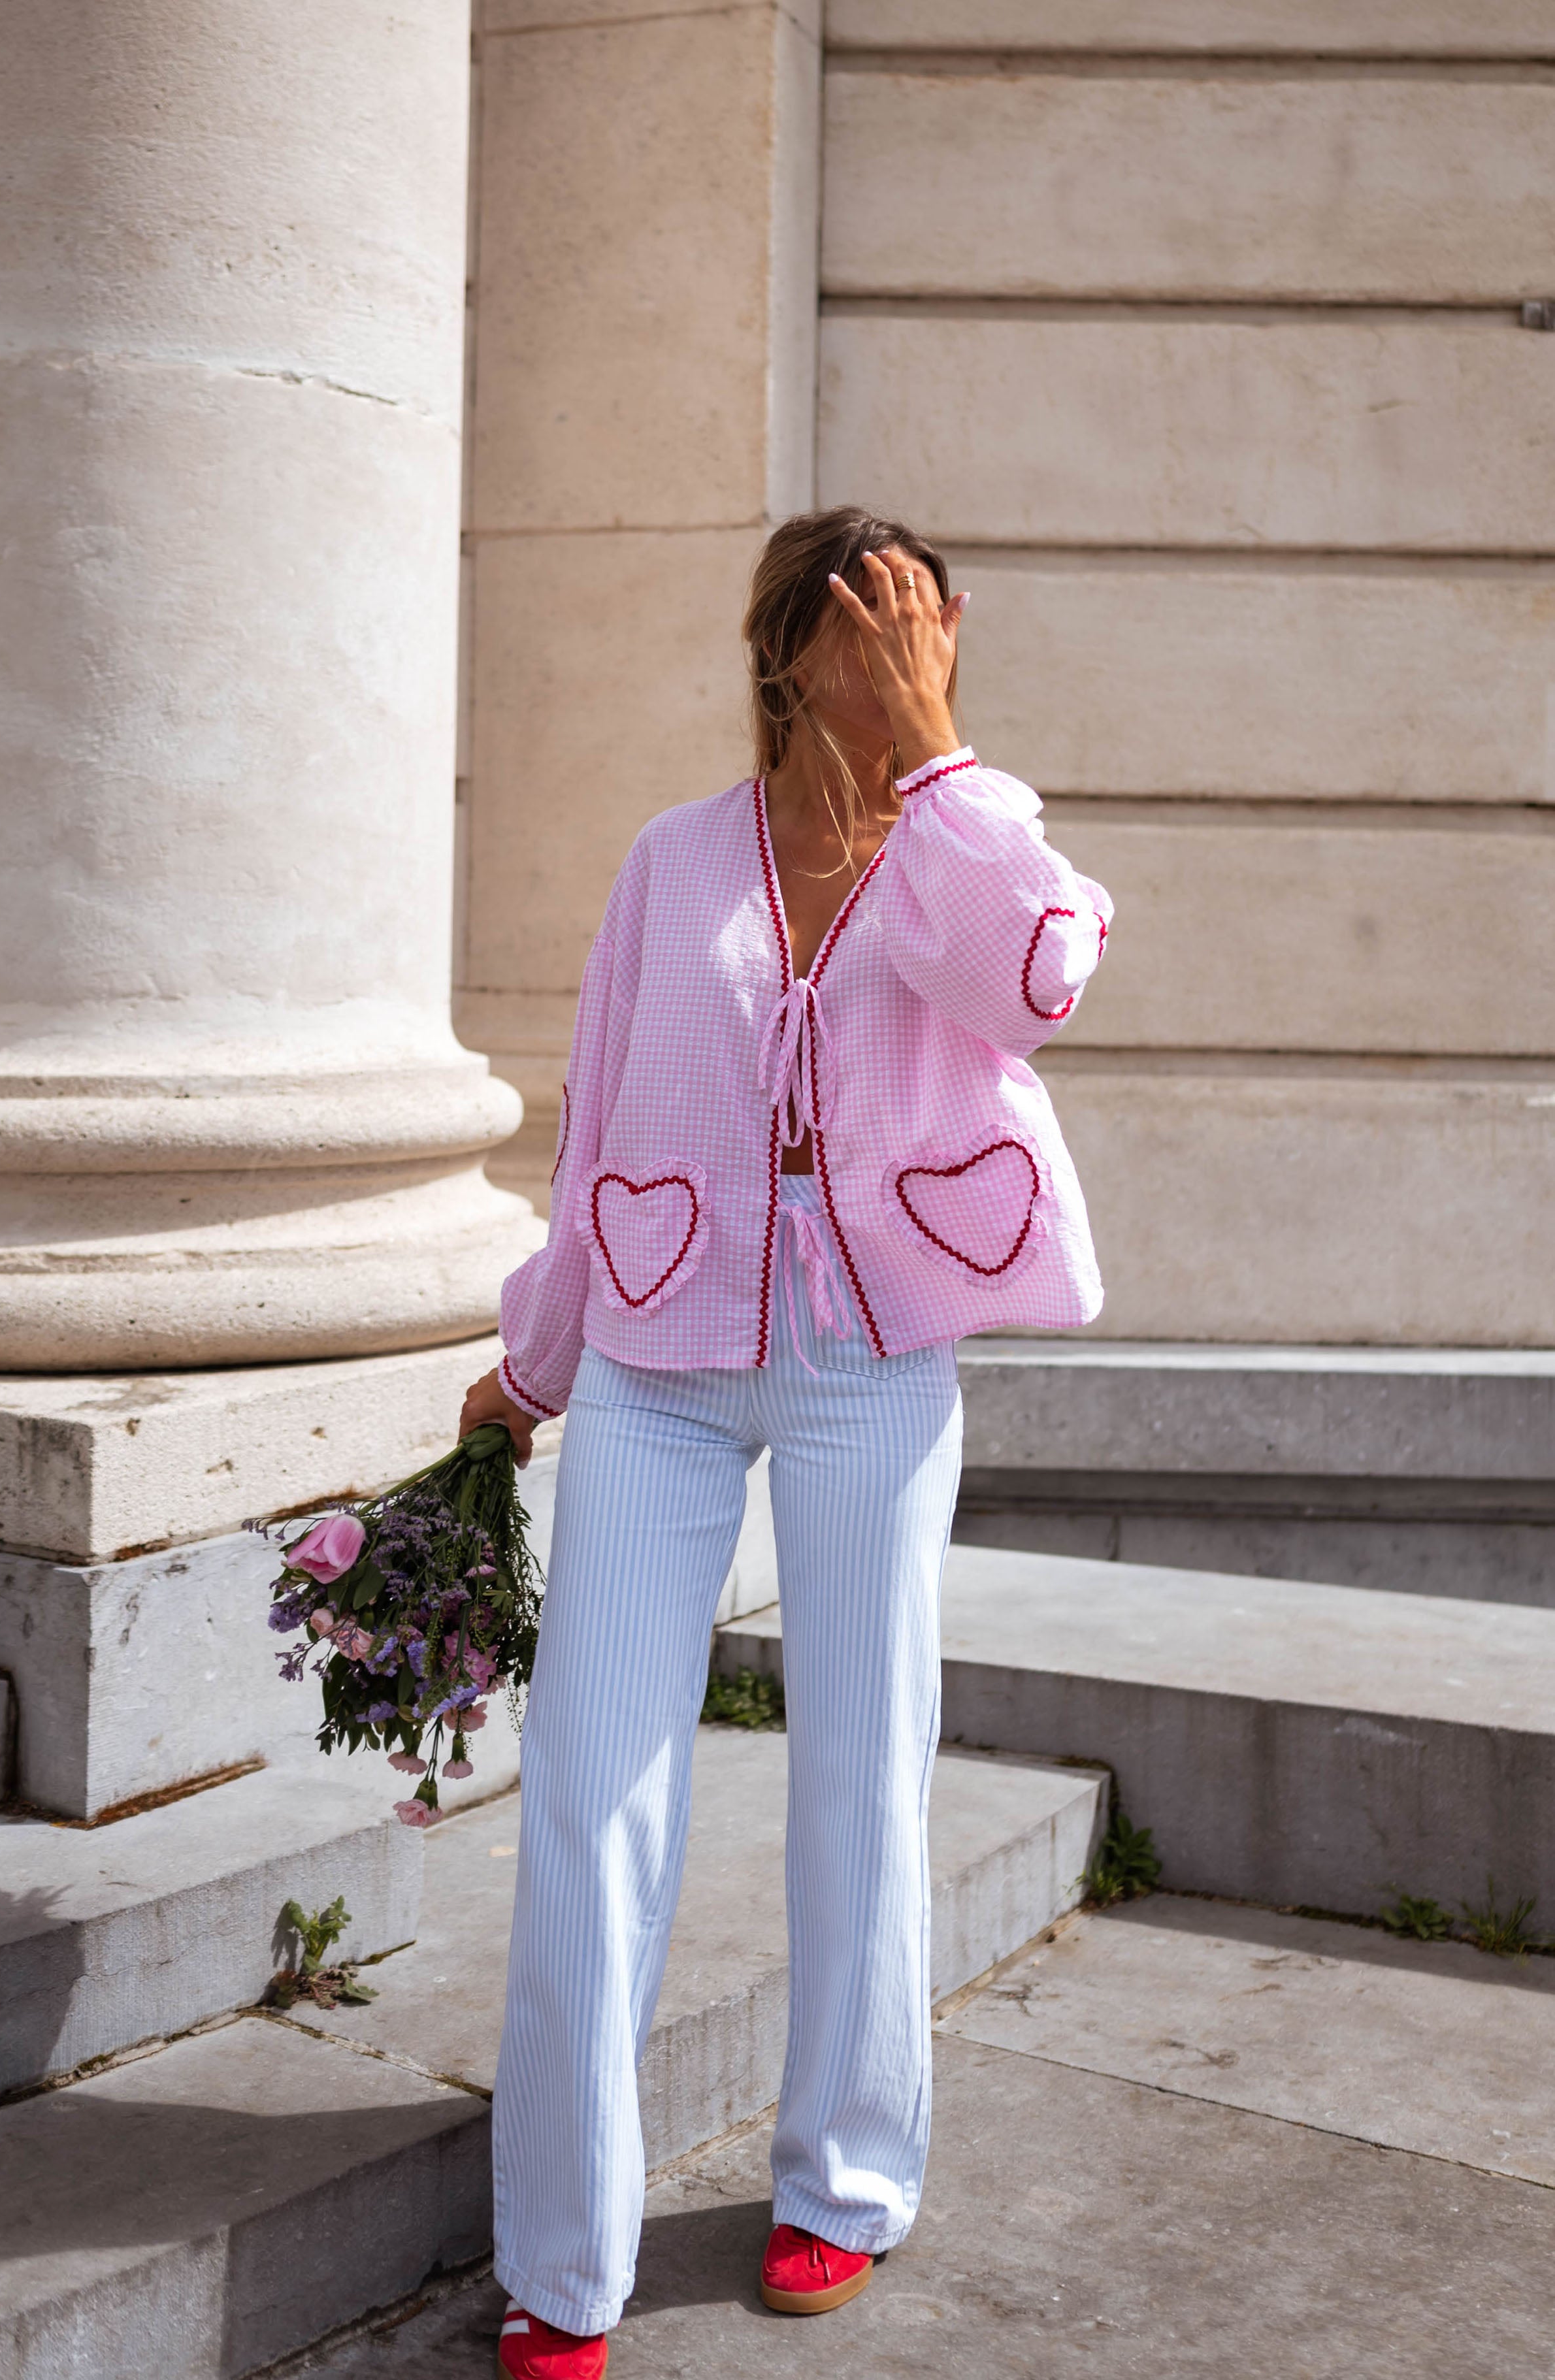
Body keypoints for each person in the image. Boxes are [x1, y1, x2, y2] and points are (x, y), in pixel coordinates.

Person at [459, 506, 1112, 2380]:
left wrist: (937, 750)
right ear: (788, 648)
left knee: (862, 1769)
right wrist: (538, 1358)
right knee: (588, 1788)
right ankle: (562, 2257)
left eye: (928, 615)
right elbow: (595, 1125)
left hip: (869, 1361)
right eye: (874, 615)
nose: (913, 638)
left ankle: (844, 2175)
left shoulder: (967, 843)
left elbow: (1041, 982)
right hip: (660, 1351)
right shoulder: (673, 864)